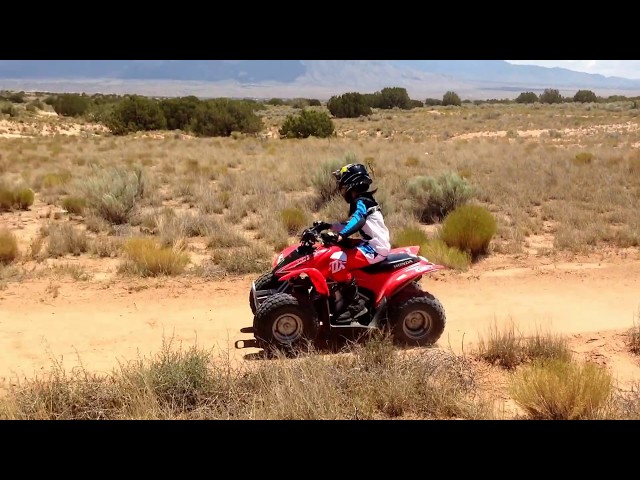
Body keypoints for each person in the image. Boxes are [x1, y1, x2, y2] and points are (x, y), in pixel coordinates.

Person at [325, 163, 391, 323]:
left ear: (350, 183)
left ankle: (354, 304)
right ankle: (336, 294)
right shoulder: (365, 200)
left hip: (375, 248)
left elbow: (358, 219)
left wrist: (341, 235)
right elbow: (351, 222)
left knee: (336, 261)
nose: (341, 188)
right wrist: (327, 225)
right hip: (369, 244)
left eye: (342, 184)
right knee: (334, 250)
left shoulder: (361, 202)